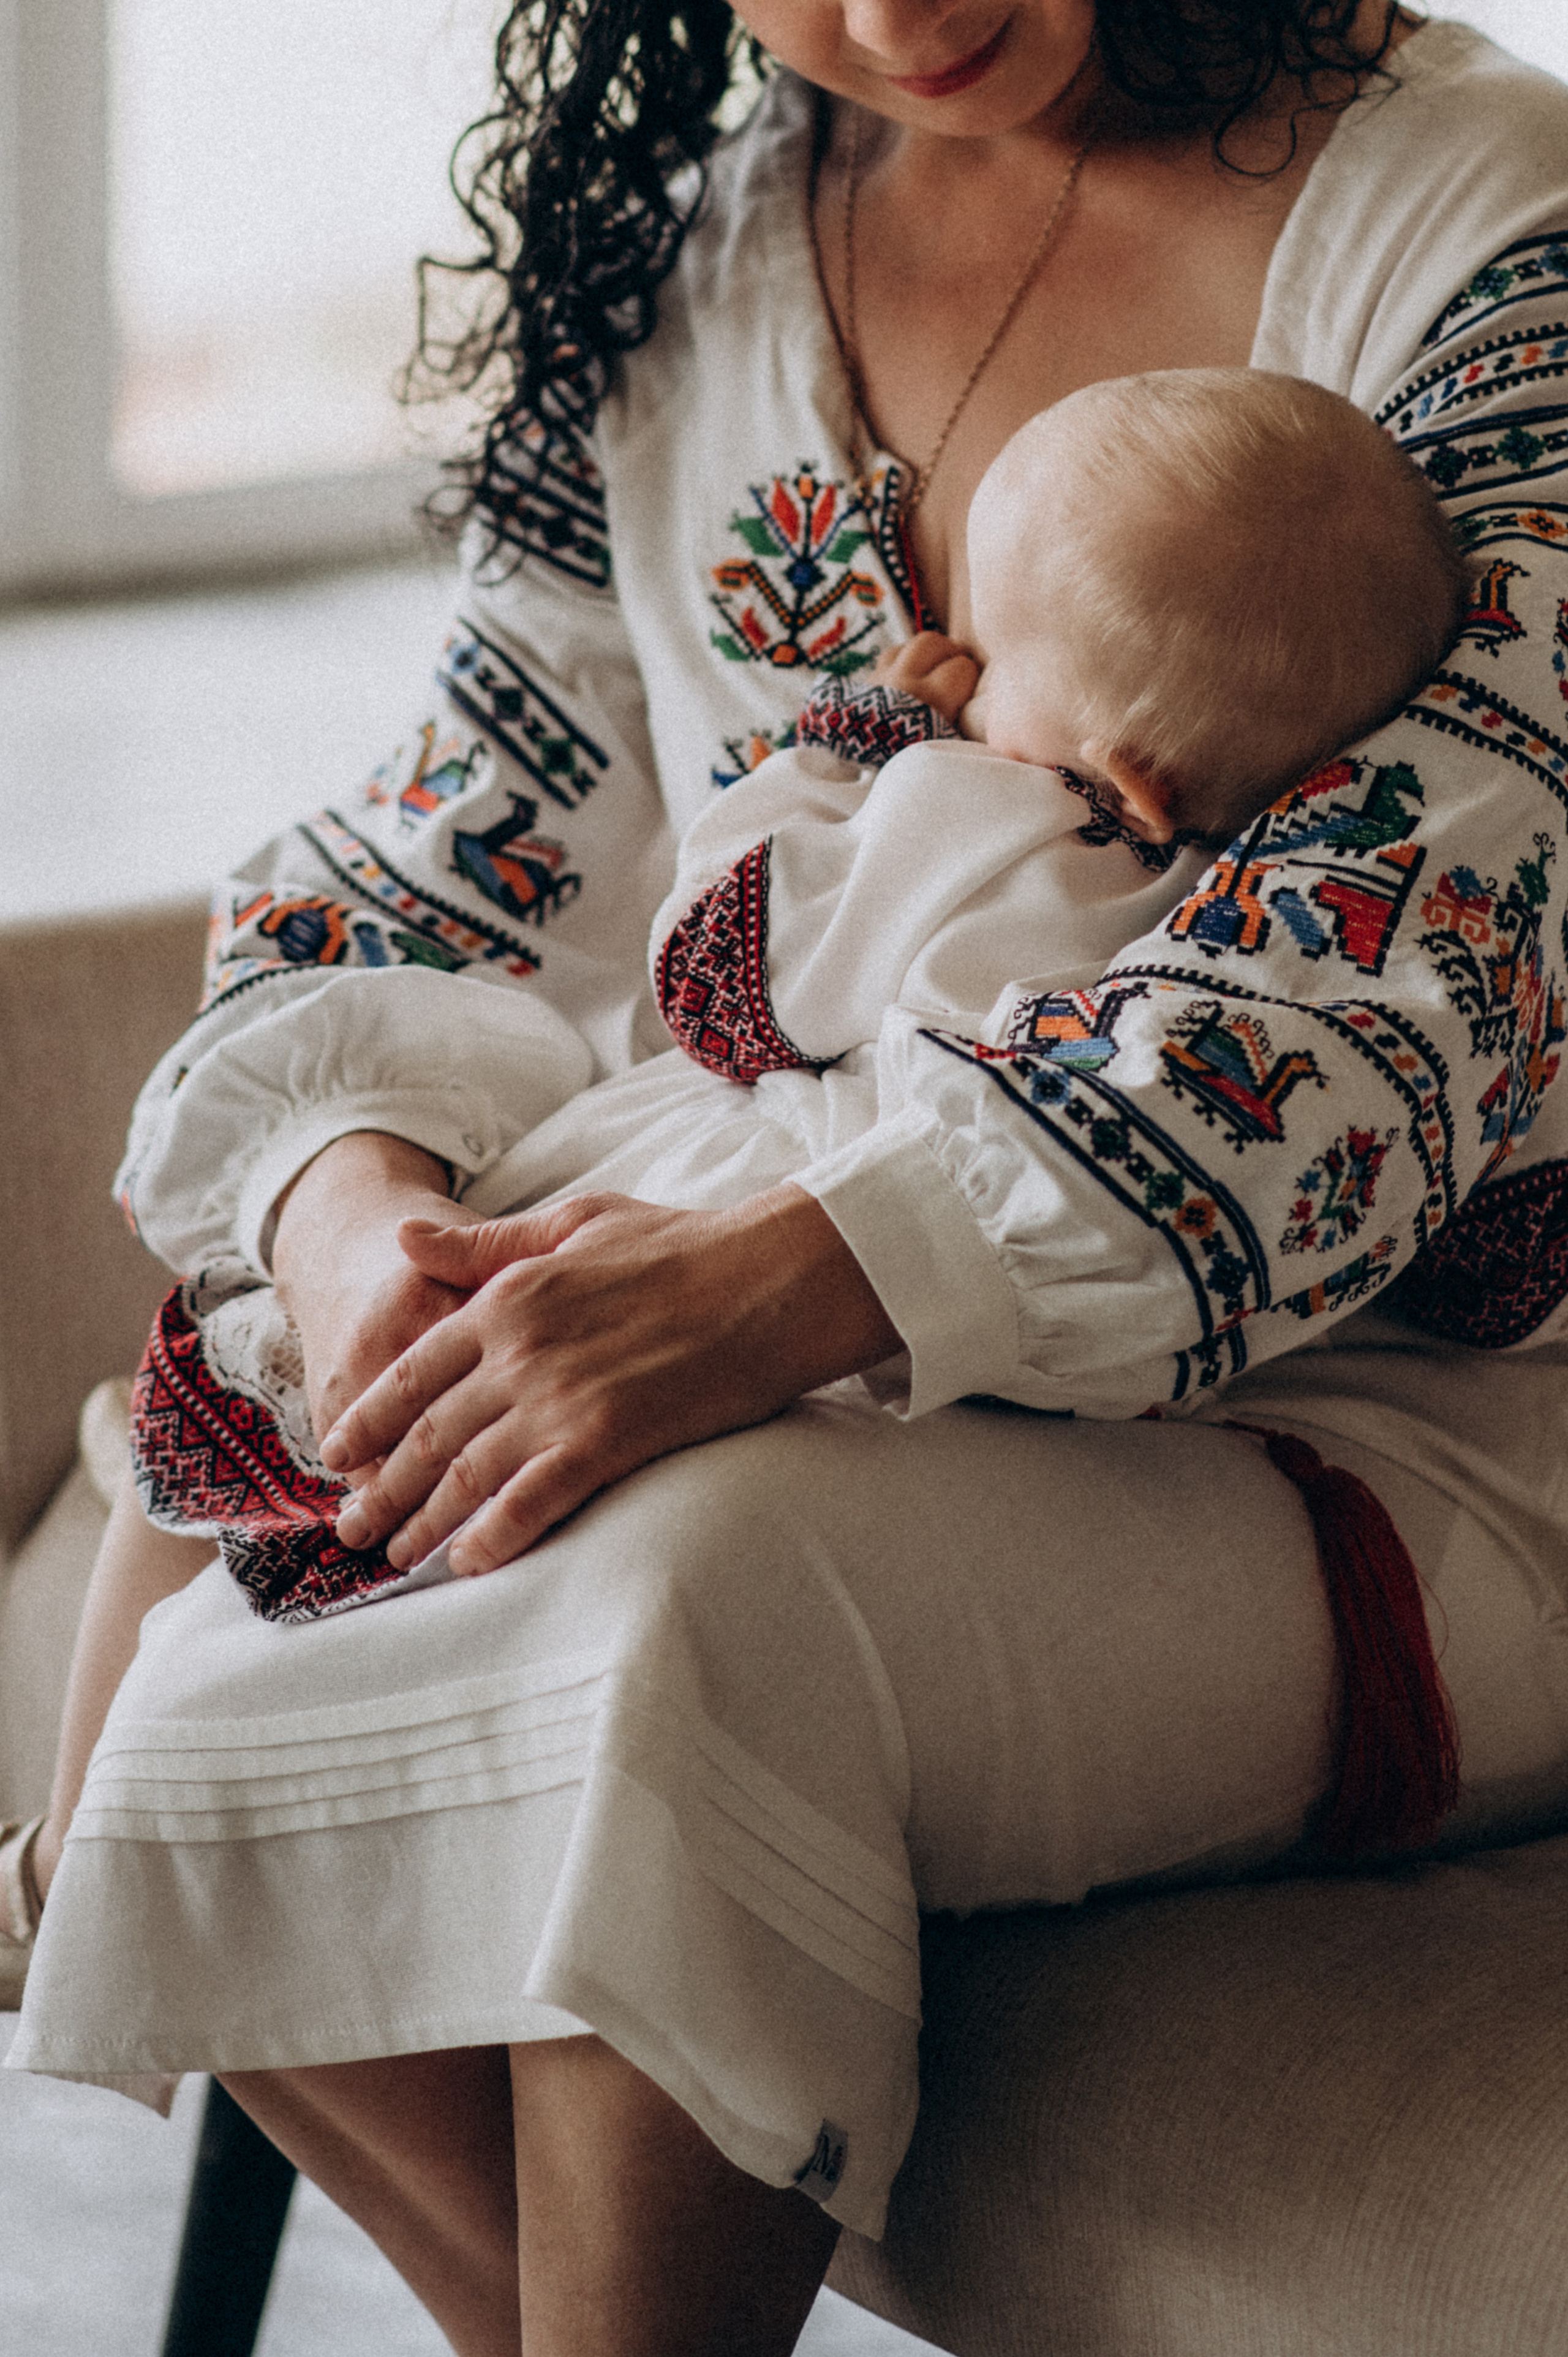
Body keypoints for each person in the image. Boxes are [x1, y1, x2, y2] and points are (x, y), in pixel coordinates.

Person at [7, 6, 1568, 2353]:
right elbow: (440, 868)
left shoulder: (1495, 239)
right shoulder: (672, 279)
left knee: (680, 1576)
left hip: (1413, 1428)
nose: (903, 14)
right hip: (890, 1376)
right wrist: (352, 1227)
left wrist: (773, 1289)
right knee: (264, 1482)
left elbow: (1404, 966)